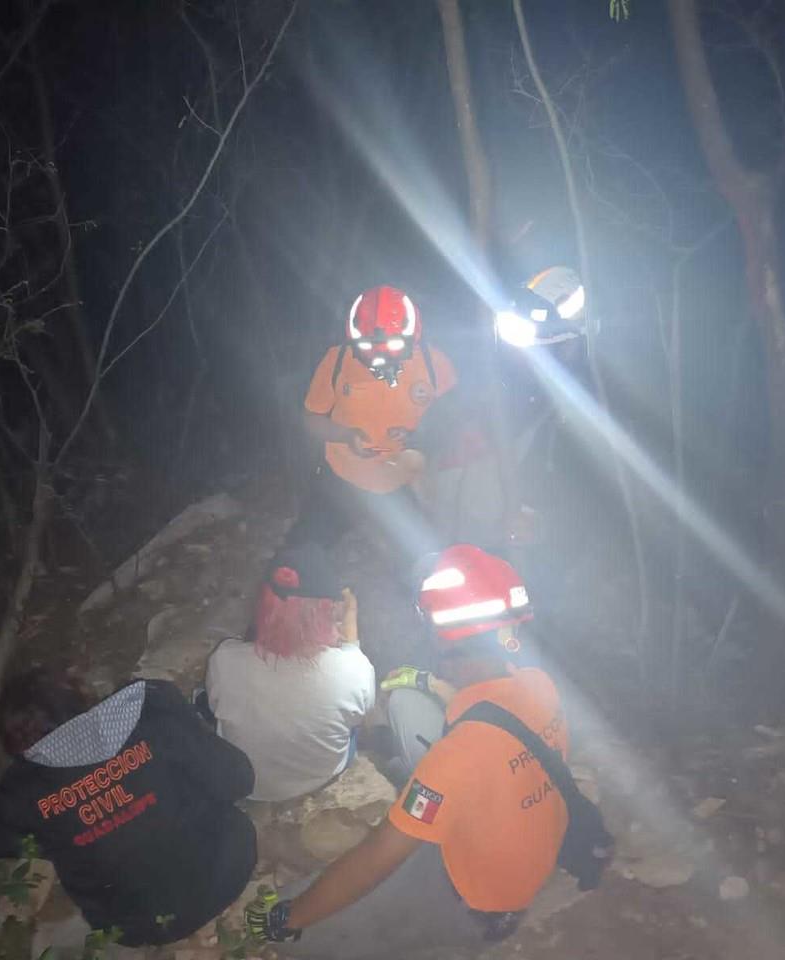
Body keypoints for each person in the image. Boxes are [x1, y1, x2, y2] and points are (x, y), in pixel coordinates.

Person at [245, 545, 578, 957]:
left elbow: (378, 857)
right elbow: (497, 721)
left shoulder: (455, 758)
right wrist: (432, 685)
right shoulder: (540, 683)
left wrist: (288, 918)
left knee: (307, 928)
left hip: (480, 903)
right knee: (408, 703)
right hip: (529, 850)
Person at [0, 668, 257, 948]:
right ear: (82, 700)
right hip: (227, 870)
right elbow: (239, 779)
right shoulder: (153, 720)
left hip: (135, 925)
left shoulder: (21, 795)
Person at [288, 285, 457, 559]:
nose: (379, 355)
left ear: (413, 335)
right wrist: (345, 435)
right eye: (366, 347)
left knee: (429, 563)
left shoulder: (434, 364)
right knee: (298, 559)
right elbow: (310, 419)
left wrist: (423, 438)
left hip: (403, 481)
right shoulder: (337, 361)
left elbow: (453, 417)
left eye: (392, 346)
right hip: (343, 478)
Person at [204, 542, 376, 802]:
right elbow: (360, 716)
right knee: (350, 722)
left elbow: (214, 703)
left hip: (249, 783)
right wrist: (351, 625)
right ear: (330, 609)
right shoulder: (354, 670)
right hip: (320, 776)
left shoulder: (225, 658)